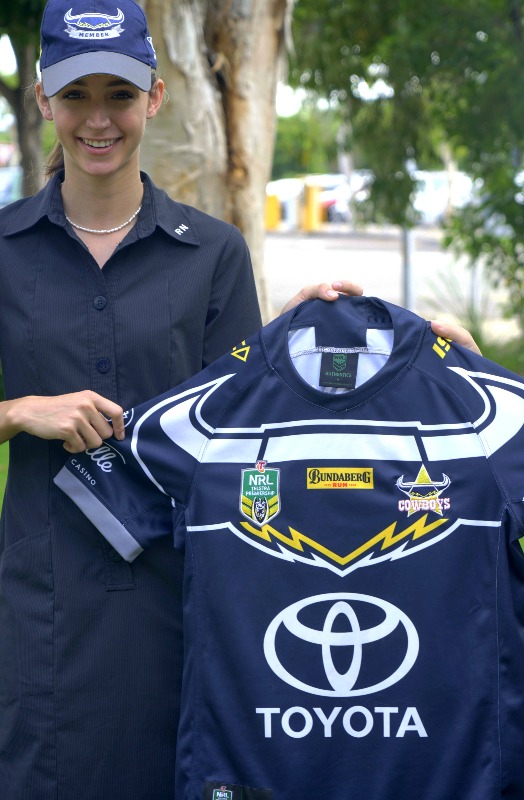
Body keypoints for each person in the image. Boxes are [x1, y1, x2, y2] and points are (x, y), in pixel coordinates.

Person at [0, 0, 363, 796]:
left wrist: (297, 339)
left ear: (155, 98)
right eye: (77, 95)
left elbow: (243, 426)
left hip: (179, 592)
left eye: (119, 96)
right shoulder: (3, 250)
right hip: (41, 599)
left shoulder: (213, 254)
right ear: (44, 102)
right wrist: (19, 412)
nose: (99, 119)